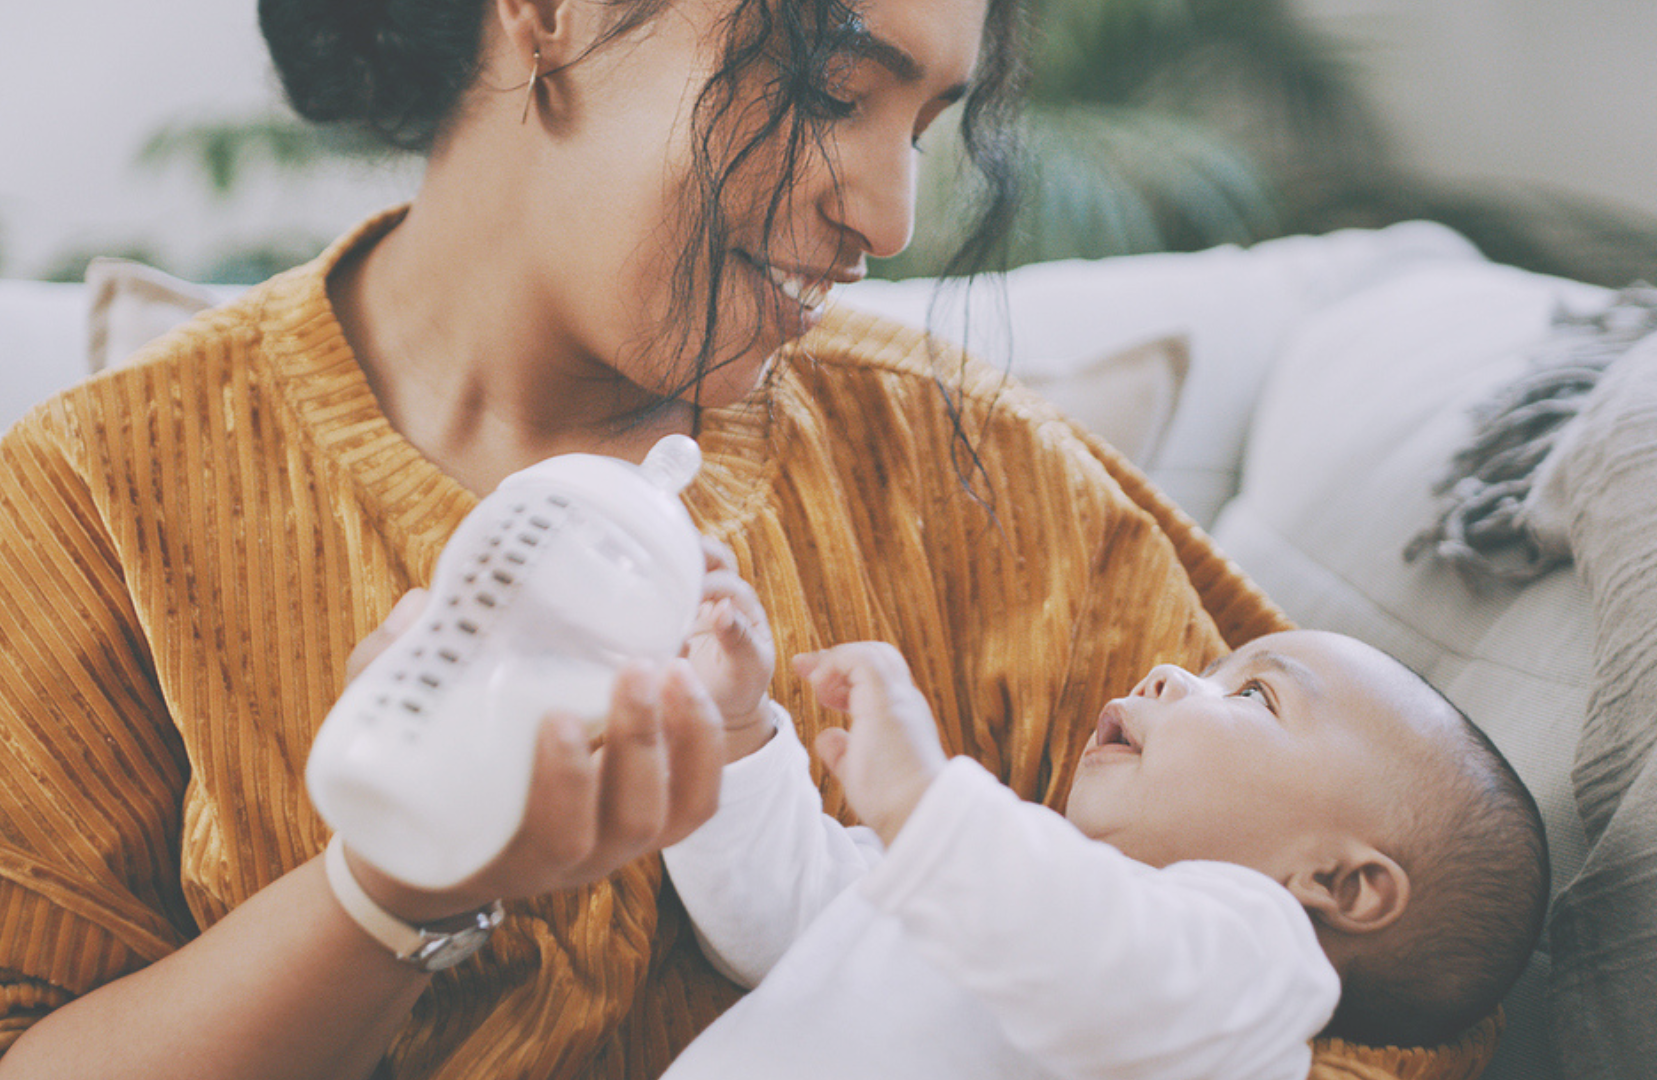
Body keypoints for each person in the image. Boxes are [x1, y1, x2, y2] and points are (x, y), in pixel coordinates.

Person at [0, 0, 1370, 1076]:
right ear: (548, 10)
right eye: (832, 89)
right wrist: (386, 891)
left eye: (924, 126)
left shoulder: (983, 477)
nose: (890, 216)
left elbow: (1376, 978)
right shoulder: (97, 500)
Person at [657, 631, 1550, 1079]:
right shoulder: (999, 871)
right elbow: (779, 914)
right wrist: (736, 730)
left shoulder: (1256, 977)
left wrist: (926, 802)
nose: (1169, 673)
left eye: (1253, 696)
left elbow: (1090, 955)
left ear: (1339, 883)